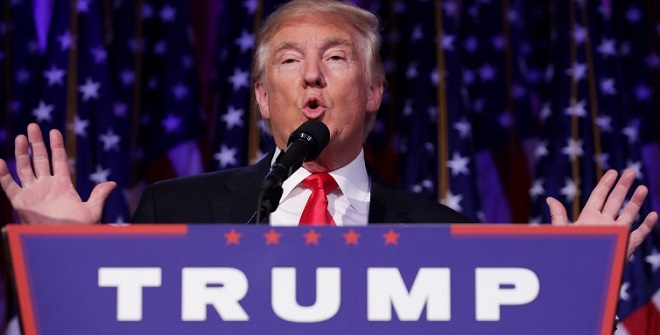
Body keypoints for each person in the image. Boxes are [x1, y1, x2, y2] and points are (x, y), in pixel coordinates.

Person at [0, 0, 656, 258]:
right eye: (289, 61)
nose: (312, 76)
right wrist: (63, 260)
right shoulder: (177, 209)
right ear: (261, 97)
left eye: (336, 57)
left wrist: (580, 281)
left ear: (373, 91)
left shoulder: (441, 232)